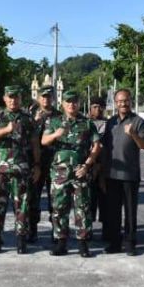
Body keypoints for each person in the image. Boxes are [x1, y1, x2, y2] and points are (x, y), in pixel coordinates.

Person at [42, 90, 101, 257]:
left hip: (79, 172)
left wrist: (87, 165)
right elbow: (43, 141)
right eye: (68, 102)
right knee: (59, 208)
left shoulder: (87, 123)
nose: (71, 104)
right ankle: (61, 243)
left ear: (78, 103)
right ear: (62, 104)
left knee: (82, 208)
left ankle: (83, 244)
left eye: (74, 101)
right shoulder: (54, 121)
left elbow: (96, 146)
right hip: (59, 173)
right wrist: (56, 134)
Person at [0, 85, 40, 254]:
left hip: (21, 169)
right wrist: (6, 130)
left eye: (16, 97)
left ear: (20, 98)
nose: (13, 100)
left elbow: (34, 142)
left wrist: (37, 164)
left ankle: (21, 240)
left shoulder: (27, 118)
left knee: (22, 205)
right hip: (0, 169)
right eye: (10, 97)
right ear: (4, 98)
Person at [101, 88, 144, 255]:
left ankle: (130, 242)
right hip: (111, 174)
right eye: (120, 101)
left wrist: (134, 134)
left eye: (126, 100)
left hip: (130, 174)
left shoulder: (139, 122)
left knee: (130, 211)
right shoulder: (111, 122)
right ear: (115, 103)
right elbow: (106, 148)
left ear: (131, 101)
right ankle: (115, 242)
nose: (123, 103)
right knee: (112, 211)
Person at [28, 85, 60, 243]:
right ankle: (32, 230)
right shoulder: (31, 115)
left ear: (53, 98)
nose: (46, 99)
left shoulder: (60, 116)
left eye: (49, 96)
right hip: (36, 163)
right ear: (39, 97)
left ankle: (56, 230)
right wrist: (34, 122)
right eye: (43, 96)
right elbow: (24, 136)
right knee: (33, 198)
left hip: (55, 163)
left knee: (55, 199)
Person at [87, 96, 108, 230]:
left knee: (106, 201)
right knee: (88, 201)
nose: (98, 109)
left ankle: (107, 230)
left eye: (100, 107)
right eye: (95, 107)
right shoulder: (85, 123)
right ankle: (87, 230)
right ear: (90, 108)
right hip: (89, 166)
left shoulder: (110, 123)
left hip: (106, 167)